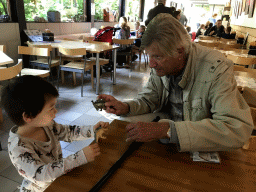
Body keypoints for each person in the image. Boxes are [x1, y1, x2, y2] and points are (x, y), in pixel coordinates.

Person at [98, 13, 253, 152]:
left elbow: (236, 129)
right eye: (149, 56)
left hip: (200, 141)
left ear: (179, 52)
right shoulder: (161, 65)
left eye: (157, 57)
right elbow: (149, 99)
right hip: (169, 129)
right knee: (122, 126)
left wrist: (169, 130)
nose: (151, 64)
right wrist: (126, 106)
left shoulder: (216, 68)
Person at [2, 75, 109, 192]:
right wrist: (79, 158)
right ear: (28, 116)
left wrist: (92, 130)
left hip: (58, 179)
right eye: (51, 108)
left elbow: (68, 132)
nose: (56, 111)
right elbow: (41, 175)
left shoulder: (47, 125)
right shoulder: (18, 148)